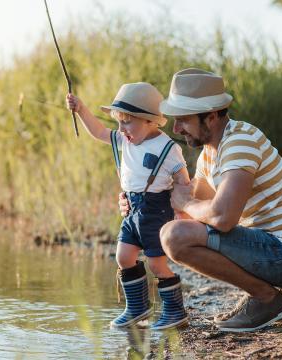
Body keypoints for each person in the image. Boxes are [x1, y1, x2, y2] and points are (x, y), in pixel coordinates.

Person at [118, 68, 282, 332]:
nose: (176, 128)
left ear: (210, 117)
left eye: (183, 120)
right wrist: (139, 203)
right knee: (175, 234)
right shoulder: (209, 154)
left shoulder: (239, 142)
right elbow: (193, 216)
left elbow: (221, 218)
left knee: (174, 237)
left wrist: (185, 204)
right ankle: (262, 297)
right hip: (268, 247)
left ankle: (266, 298)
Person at [66, 82, 190, 330]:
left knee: (156, 263)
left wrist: (182, 212)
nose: (121, 129)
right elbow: (100, 132)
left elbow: (183, 181)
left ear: (149, 121)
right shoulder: (125, 141)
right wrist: (80, 109)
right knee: (123, 256)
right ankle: (137, 308)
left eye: (127, 121)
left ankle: (175, 311)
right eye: (119, 122)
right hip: (132, 211)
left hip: (157, 211)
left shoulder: (167, 148)